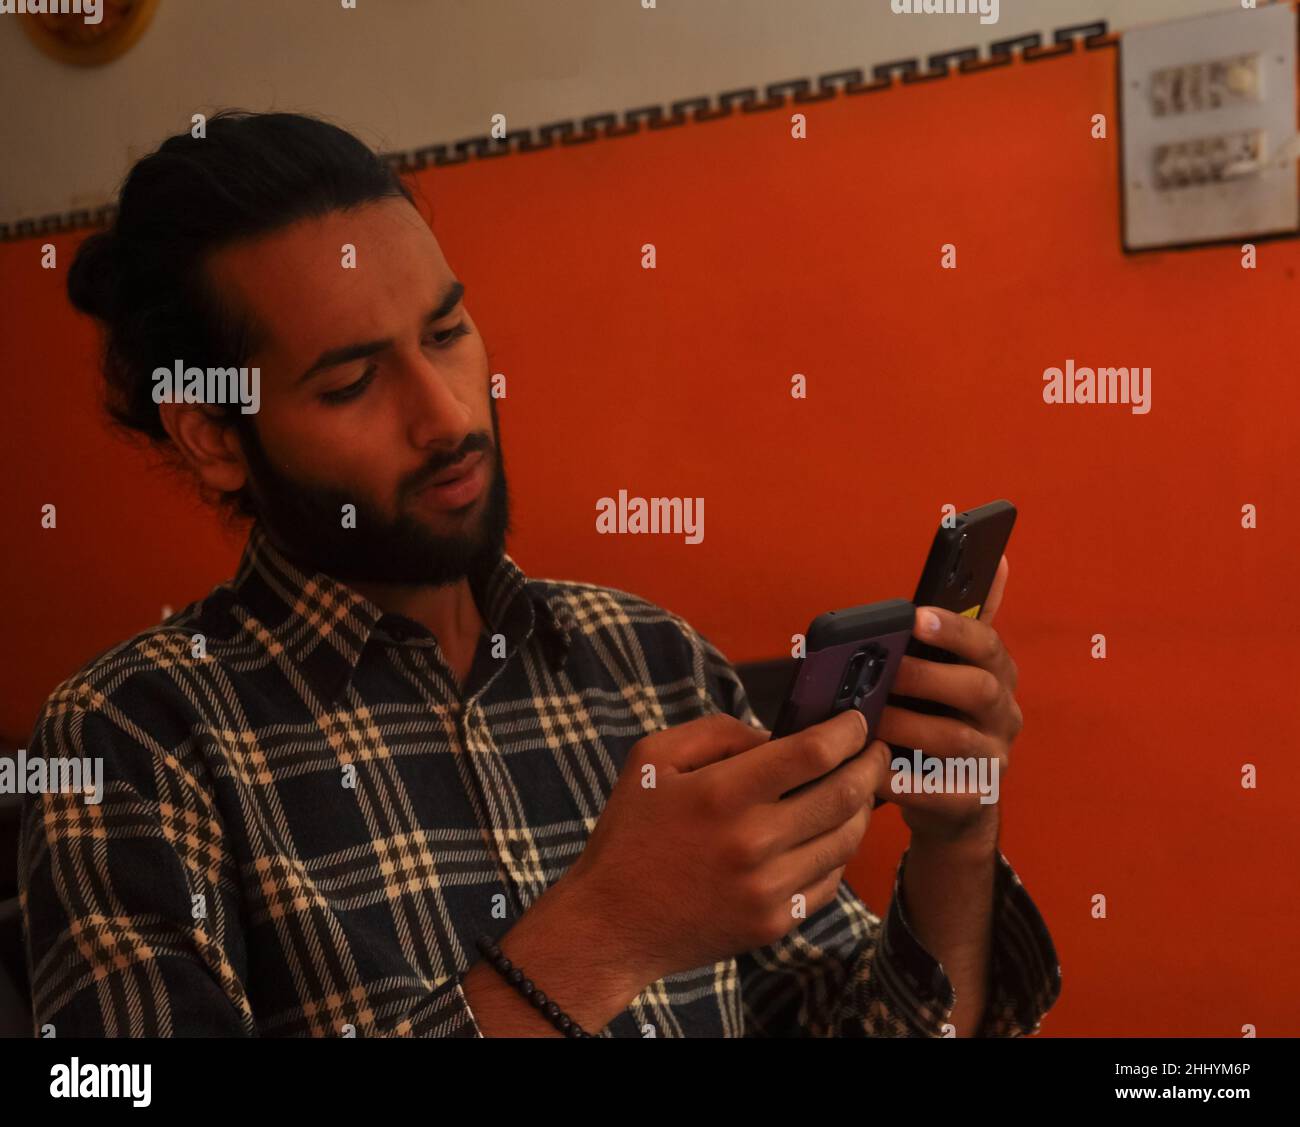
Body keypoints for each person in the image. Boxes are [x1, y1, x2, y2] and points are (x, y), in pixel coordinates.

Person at [18, 111, 1059, 1038]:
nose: (447, 415)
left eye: (447, 332)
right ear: (213, 434)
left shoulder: (646, 658)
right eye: (349, 381)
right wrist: (603, 935)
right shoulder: (133, 739)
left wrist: (956, 839)